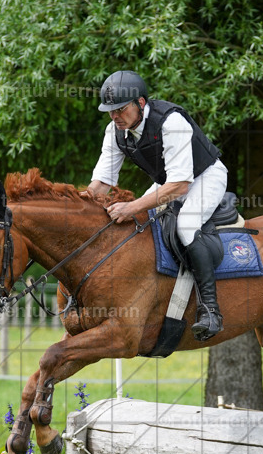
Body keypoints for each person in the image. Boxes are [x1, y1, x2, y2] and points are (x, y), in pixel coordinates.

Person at [87, 70, 229, 340]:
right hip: (169, 181)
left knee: (186, 227)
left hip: (204, 177)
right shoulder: (115, 132)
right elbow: (101, 184)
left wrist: (131, 206)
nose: (115, 116)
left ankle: (211, 311)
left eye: (120, 109)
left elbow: (180, 186)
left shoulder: (171, 121)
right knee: (142, 228)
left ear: (140, 103)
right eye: (110, 111)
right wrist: (77, 205)